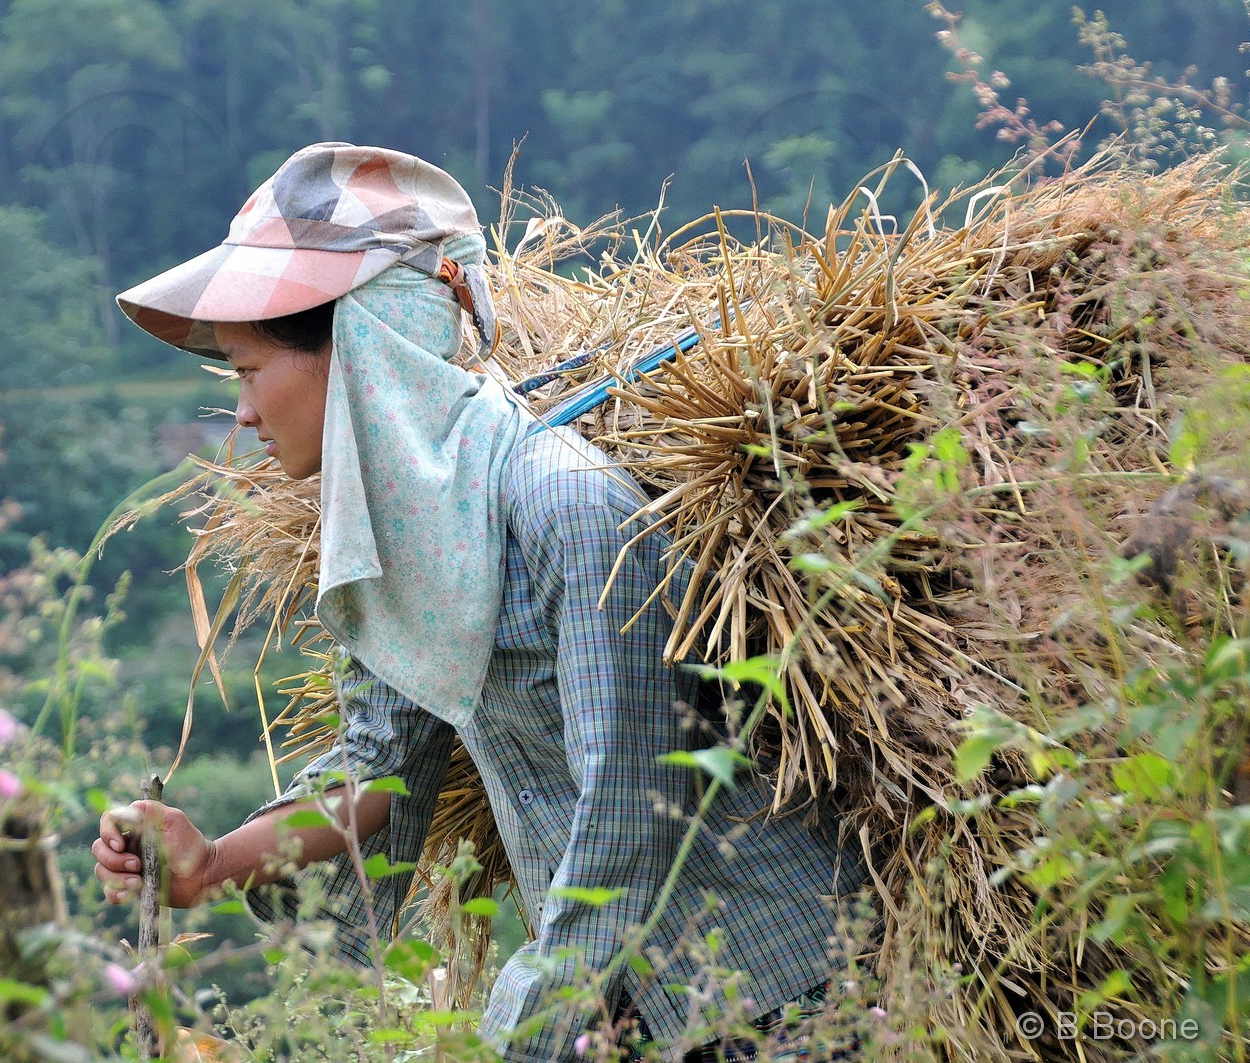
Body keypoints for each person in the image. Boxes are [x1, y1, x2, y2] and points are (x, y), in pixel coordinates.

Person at [92, 142, 865, 1062]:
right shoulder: (409, 529)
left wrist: (518, 1031)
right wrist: (212, 862)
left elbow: (630, 807)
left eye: (249, 371)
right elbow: (378, 769)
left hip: (775, 994)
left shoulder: (565, 507)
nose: (245, 413)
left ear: (365, 348)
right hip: (620, 1006)